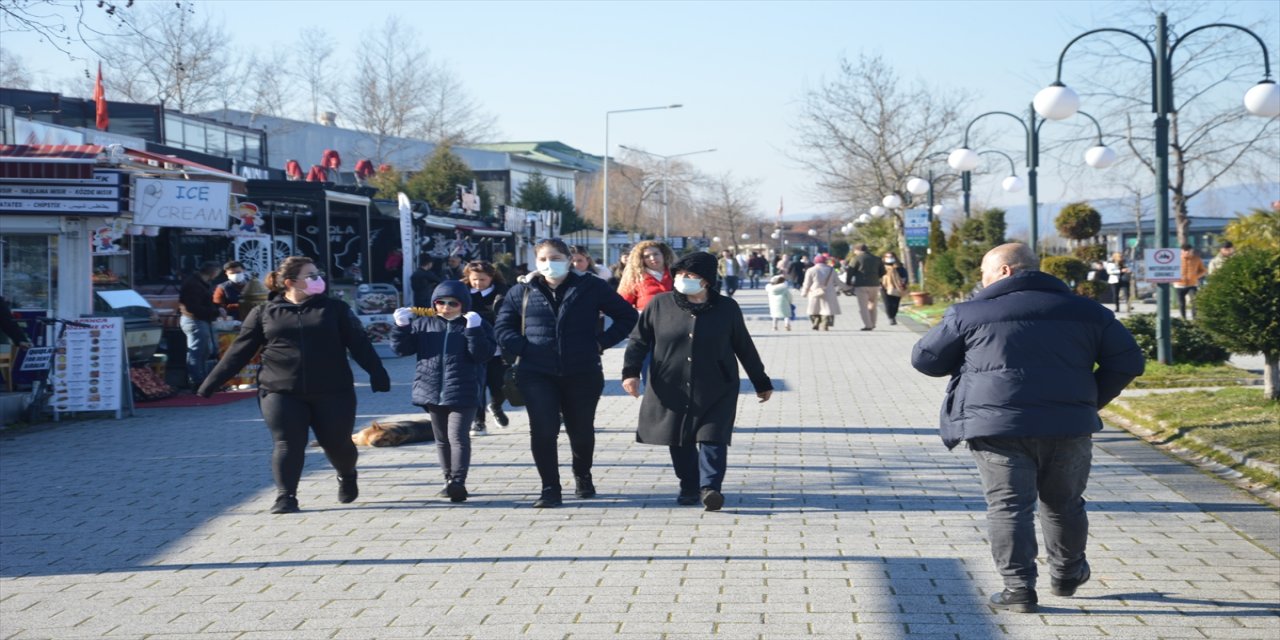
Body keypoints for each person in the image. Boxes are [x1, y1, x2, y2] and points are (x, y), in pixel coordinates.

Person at [910, 243, 1144, 613]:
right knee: (1064, 502)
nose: (982, 280)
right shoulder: (1089, 311)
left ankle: (1018, 589)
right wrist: (1088, 401)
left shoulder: (970, 313)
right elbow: (1128, 361)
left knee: (1008, 506)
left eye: (985, 272)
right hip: (1067, 426)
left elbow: (926, 360)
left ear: (1005, 271)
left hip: (996, 428)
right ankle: (1067, 574)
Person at [198, 256, 392, 514]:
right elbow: (239, 351)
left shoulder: (335, 309)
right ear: (290, 282)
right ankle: (286, 496)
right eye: (311, 275)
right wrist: (212, 382)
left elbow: (359, 343)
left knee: (336, 443)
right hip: (280, 390)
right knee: (287, 443)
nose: (318, 279)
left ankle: (346, 474)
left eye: (317, 274)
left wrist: (377, 373)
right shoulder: (264, 312)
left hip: (333, 390)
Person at [621, 251, 772, 511]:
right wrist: (630, 373)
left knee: (713, 436)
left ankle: (710, 488)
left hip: (717, 384)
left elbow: (744, 346)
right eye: (679, 274)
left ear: (706, 280)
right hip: (671, 384)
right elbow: (638, 340)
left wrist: (761, 382)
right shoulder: (660, 304)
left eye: (690, 275)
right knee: (679, 438)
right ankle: (689, 485)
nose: (683, 279)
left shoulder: (727, 307)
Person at [494, 239, 639, 508]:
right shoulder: (521, 290)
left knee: (580, 430)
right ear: (536, 262)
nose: (550, 264)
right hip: (536, 372)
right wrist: (524, 348)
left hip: (582, 370)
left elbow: (627, 317)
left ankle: (583, 475)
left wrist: (600, 343)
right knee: (543, 429)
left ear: (569, 259)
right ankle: (550, 487)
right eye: (543, 259)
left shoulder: (591, 286)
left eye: (556, 258)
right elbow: (503, 327)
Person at [390, 280, 495, 503]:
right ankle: (448, 480)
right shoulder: (424, 324)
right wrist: (401, 327)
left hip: (464, 390)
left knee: (458, 437)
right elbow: (401, 350)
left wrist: (474, 330)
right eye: (441, 303)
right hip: (431, 389)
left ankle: (458, 481)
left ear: (463, 304)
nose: (446, 307)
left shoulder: (476, 324)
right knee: (442, 439)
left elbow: (482, 355)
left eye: (453, 303)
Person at [463, 260, 509, 434]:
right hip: (472, 348)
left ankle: (496, 406)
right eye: (474, 279)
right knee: (477, 387)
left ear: (491, 277)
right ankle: (478, 421)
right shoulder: (462, 293)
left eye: (482, 279)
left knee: (500, 385)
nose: (478, 283)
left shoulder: (503, 293)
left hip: (497, 348)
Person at [179, 261, 225, 388]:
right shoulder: (194, 284)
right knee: (197, 351)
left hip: (199, 319)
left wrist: (216, 308)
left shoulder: (201, 282)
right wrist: (215, 312)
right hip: (194, 320)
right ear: (214, 272)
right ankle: (196, 381)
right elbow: (194, 307)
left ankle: (202, 379)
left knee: (204, 351)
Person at [617, 241, 675, 311]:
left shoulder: (677, 274)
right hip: (647, 316)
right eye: (647, 256)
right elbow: (622, 306)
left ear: (664, 255)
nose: (652, 258)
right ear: (641, 260)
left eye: (656, 254)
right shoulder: (635, 279)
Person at [844, 244, 885, 331]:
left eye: (854, 251)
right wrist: (876, 277)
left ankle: (868, 325)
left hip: (861, 285)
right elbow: (883, 272)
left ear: (857, 250)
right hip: (875, 284)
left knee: (863, 307)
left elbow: (850, 272)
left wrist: (848, 283)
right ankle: (873, 323)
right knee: (873, 305)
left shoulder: (856, 259)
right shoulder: (876, 258)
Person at [799, 255, 841, 331]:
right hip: (828, 292)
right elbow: (838, 281)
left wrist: (804, 292)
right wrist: (847, 288)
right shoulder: (831, 270)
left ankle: (816, 322)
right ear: (825, 261)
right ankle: (825, 325)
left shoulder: (811, 270)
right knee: (826, 310)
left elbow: (807, 283)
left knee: (814, 309)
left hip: (814, 292)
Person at [1174, 243, 1207, 320]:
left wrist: (1196, 276)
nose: (1187, 252)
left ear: (1192, 251)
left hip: (1192, 284)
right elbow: (1171, 270)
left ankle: (1194, 318)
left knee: (1195, 301)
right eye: (1185, 251)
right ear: (1181, 251)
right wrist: (1175, 278)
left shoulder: (1197, 259)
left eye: (1189, 251)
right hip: (1179, 284)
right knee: (1181, 303)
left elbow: (1203, 270)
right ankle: (1183, 318)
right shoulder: (1176, 259)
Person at [880, 251, 908, 326]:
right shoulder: (881, 267)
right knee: (888, 304)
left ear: (895, 257)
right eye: (887, 257)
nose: (889, 258)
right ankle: (891, 318)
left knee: (895, 304)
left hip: (897, 287)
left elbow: (904, 276)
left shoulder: (899, 267)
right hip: (885, 287)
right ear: (884, 258)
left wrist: (903, 282)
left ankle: (894, 315)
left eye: (891, 257)